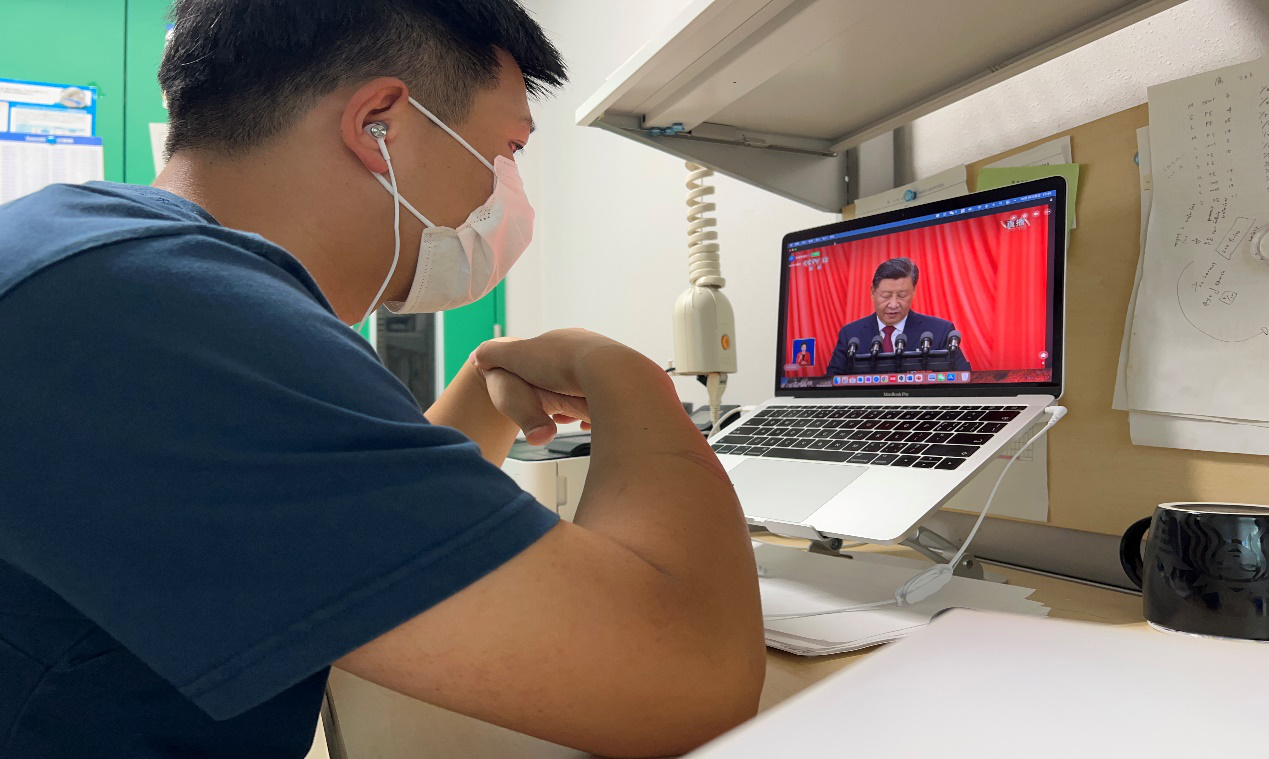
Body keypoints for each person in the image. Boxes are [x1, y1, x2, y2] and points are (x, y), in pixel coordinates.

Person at [0, 2, 764, 757]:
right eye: (507, 149)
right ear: (379, 124)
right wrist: (621, 374)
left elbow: (354, 542)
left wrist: (484, 385)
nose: (507, 192)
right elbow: (688, 680)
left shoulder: (106, 264)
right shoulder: (168, 315)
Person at [825, 257, 971, 375]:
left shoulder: (940, 331)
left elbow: (964, 378)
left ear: (913, 292)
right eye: (886, 296)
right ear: (872, 292)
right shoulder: (850, 334)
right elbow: (831, 384)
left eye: (902, 295)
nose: (894, 304)